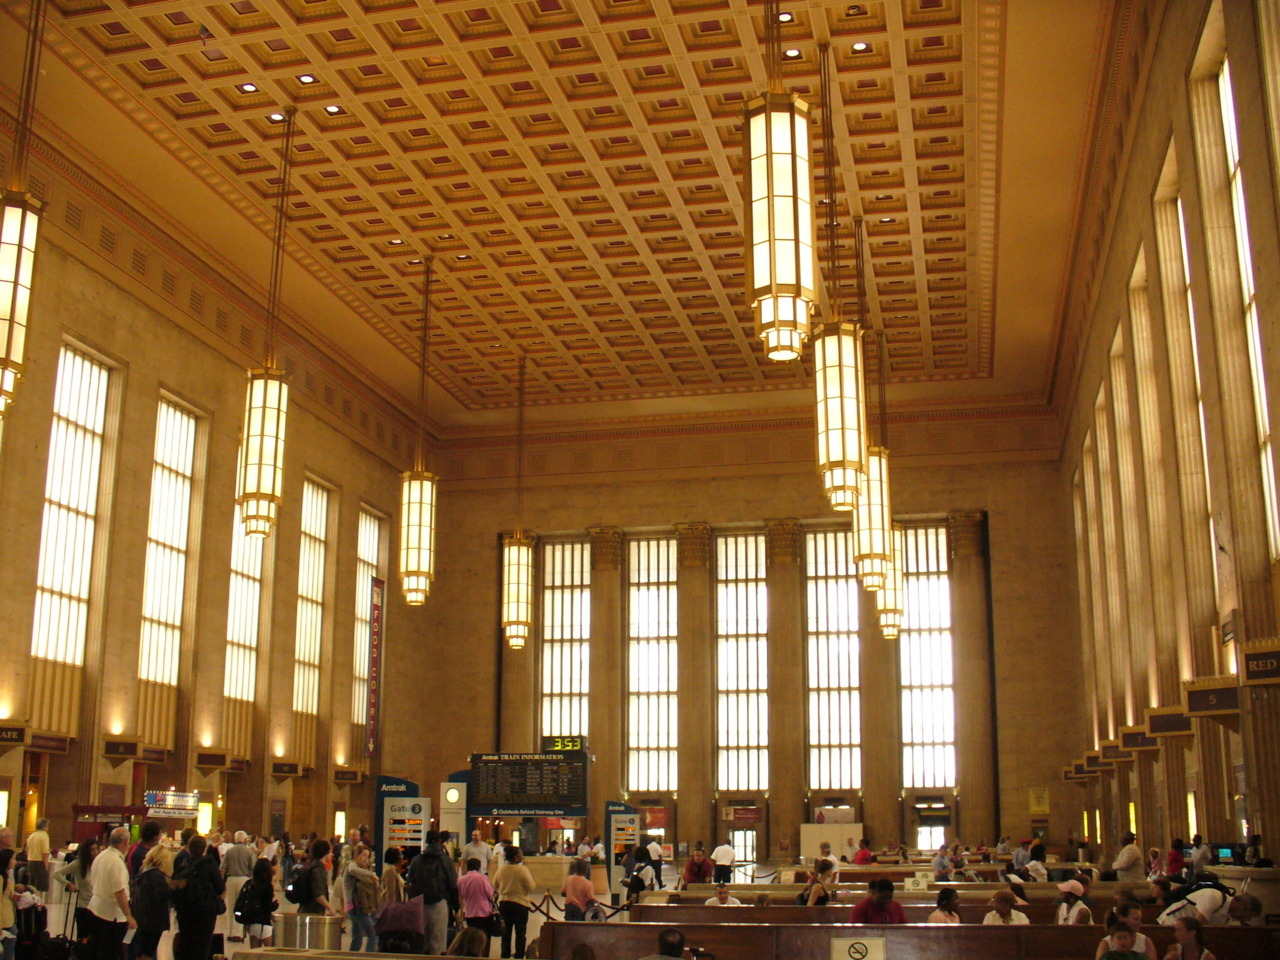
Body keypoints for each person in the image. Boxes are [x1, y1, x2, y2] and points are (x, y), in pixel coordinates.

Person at [407, 830, 460, 955]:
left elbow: (410, 881)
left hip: (419, 904)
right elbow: (453, 884)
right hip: (439, 902)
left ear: (426, 841)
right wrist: (456, 908)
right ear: (439, 840)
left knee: (419, 941)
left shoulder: (417, 860)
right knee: (438, 942)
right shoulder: (445, 860)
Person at [86, 827, 136, 960]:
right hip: (112, 914)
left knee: (98, 948)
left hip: (96, 908)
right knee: (112, 951)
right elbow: (119, 892)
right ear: (125, 842)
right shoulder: (116, 862)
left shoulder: (101, 856)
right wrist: (129, 915)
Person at [173, 835, 225, 960]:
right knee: (202, 945)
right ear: (204, 848)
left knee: (186, 943)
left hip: (184, 910)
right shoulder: (208, 863)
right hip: (205, 911)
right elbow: (219, 887)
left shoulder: (183, 863)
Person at [130, 844, 173, 960]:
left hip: (143, 917)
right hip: (153, 921)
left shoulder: (144, 870)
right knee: (148, 951)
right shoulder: (156, 875)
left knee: (142, 950)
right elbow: (162, 895)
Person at [493, 844, 536, 959]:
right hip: (520, 904)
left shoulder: (501, 869)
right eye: (520, 854)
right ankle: (519, 955)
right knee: (520, 933)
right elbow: (531, 887)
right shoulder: (522, 870)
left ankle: (505, 955)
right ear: (516, 857)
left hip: (504, 903)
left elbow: (494, 885)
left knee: (506, 933)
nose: (522, 856)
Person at [53, 838, 97, 943]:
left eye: (96, 849)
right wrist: (68, 884)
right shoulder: (78, 864)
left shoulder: (98, 864)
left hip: (97, 906)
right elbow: (57, 874)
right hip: (83, 906)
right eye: (92, 850)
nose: (95, 852)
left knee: (95, 937)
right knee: (84, 937)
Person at [342, 844, 380, 953]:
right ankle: (368, 957)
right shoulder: (351, 866)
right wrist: (372, 874)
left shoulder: (361, 869)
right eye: (363, 855)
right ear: (356, 855)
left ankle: (352, 956)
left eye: (367, 856)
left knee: (357, 938)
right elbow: (354, 870)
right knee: (373, 933)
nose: (365, 859)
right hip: (355, 907)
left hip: (357, 907)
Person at [222, 830, 256, 942]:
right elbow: (253, 868)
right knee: (241, 906)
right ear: (245, 839)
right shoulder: (249, 852)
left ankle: (229, 932)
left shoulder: (229, 851)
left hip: (231, 879)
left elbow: (222, 868)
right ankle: (238, 933)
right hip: (244, 879)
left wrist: (222, 882)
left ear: (235, 839)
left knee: (230, 906)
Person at [297, 839, 342, 918]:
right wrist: (329, 907)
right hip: (313, 912)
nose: (331, 854)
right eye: (330, 852)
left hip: (306, 909)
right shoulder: (318, 869)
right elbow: (318, 893)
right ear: (325, 853)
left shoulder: (311, 866)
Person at [458, 856, 497, 945]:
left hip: (469, 912)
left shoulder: (461, 880)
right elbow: (490, 893)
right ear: (479, 867)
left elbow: (461, 894)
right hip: (484, 912)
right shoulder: (482, 878)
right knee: (484, 936)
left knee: (472, 937)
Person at [242, 857, 278, 948]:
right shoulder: (267, 886)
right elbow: (266, 906)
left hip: (252, 924)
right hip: (264, 923)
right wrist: (274, 906)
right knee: (269, 954)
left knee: (254, 954)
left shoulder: (250, 884)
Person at [23, 818, 50, 892]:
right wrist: (46, 867)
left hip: (30, 861)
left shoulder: (31, 835)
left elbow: (26, 850)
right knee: (41, 885)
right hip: (40, 862)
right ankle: (39, 901)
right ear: (45, 826)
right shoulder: (44, 835)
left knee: (32, 885)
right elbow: (45, 853)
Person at [0, 850, 16, 960]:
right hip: (3, 920)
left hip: (9, 917)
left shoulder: (8, 876)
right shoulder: (1, 878)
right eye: (13, 859)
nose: (14, 862)